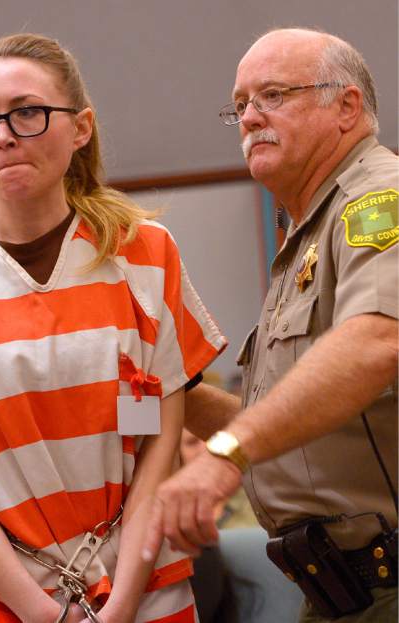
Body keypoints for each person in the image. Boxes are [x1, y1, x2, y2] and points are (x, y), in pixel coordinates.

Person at [0, 33, 227, 623]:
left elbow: (156, 446)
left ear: (80, 129)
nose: (3, 135)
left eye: (27, 112)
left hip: (145, 588)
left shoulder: (144, 255)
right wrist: (47, 614)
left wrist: (123, 602)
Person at [143, 27, 398, 623]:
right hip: (337, 591)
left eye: (273, 96)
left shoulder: (378, 202)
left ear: (346, 107)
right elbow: (298, 439)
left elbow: (377, 343)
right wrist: (160, 395)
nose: (251, 118)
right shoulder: (304, 237)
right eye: (240, 106)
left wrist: (224, 455)